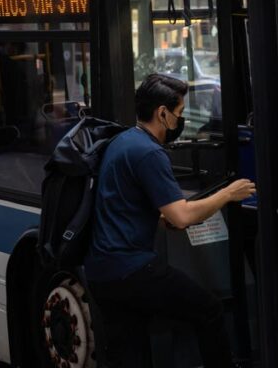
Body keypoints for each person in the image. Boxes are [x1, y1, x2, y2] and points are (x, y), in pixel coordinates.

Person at [84, 73, 256, 367]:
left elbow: (133, 204)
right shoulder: (150, 152)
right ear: (161, 113)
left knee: (131, 351)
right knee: (208, 310)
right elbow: (182, 214)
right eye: (179, 114)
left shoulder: (123, 140)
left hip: (102, 272)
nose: (181, 120)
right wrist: (228, 193)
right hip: (132, 270)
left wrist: (164, 217)